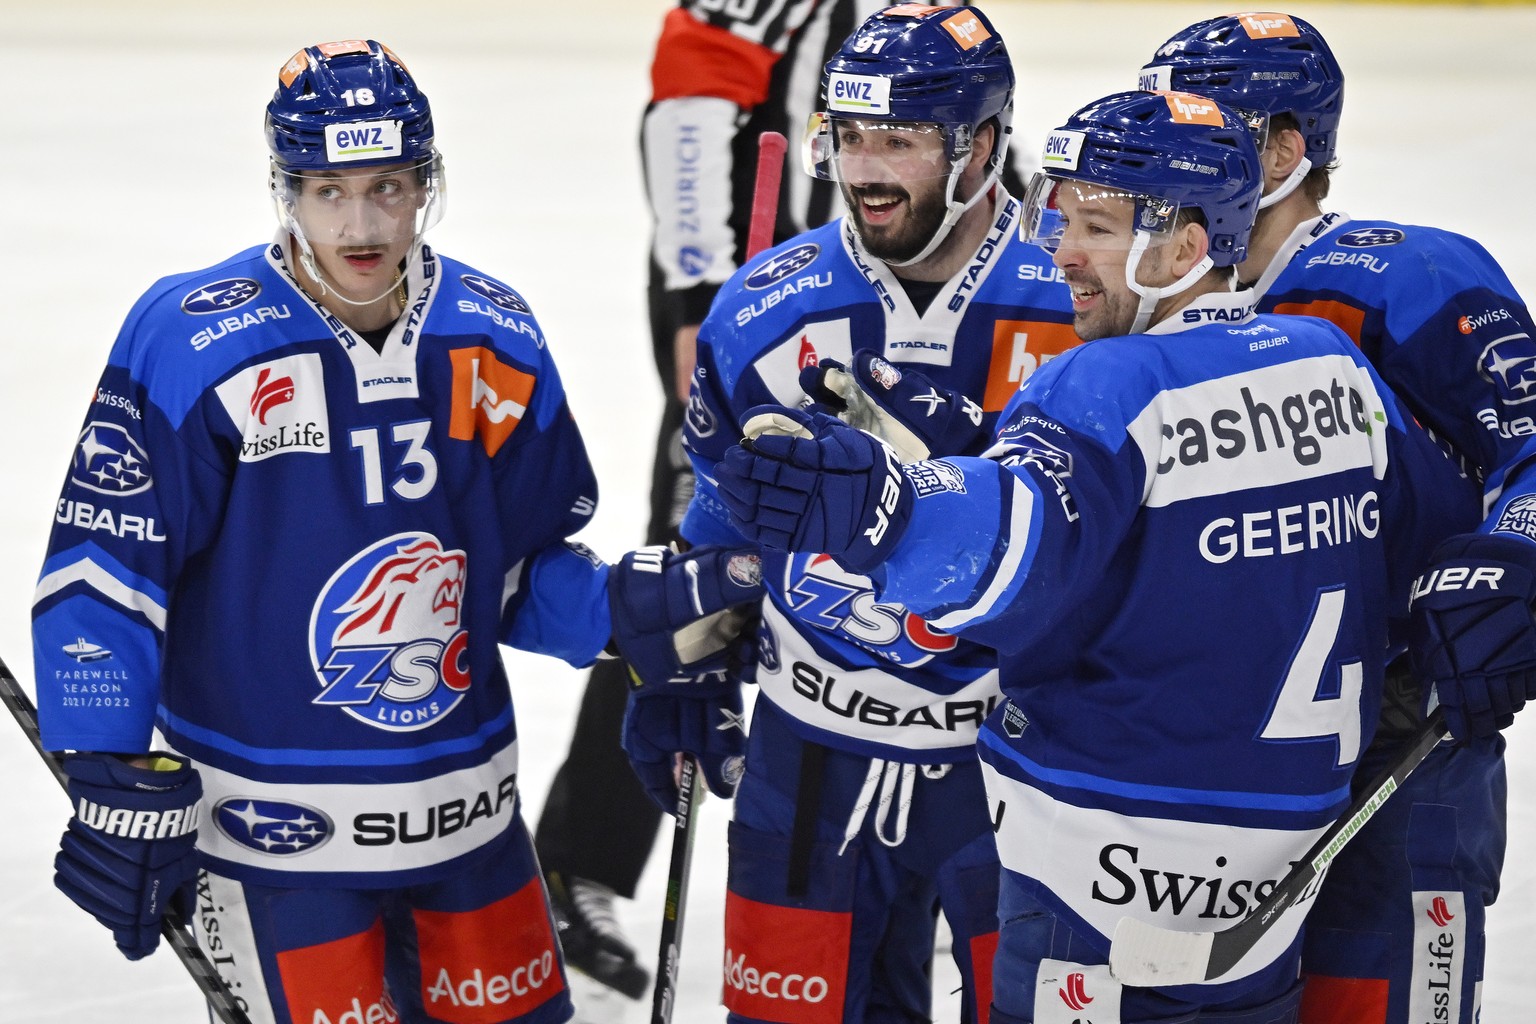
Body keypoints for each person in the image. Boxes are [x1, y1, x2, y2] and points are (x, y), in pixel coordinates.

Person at [29, 39, 759, 1024]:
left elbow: (513, 573)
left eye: (388, 186)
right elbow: (104, 570)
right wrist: (105, 758)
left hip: (468, 832)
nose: (362, 223)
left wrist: (640, 615)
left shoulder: (492, 335)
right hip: (272, 848)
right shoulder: (192, 341)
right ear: (286, 189)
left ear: (428, 186)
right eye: (330, 190)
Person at [713, 88, 1481, 1024]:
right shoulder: (1329, 362)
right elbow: (1427, 556)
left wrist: (887, 510)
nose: (1060, 251)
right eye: (1057, 216)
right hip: (1273, 886)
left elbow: (1014, 554)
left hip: (1097, 879)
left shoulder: (1103, 381)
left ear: (1189, 247)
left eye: (1098, 227)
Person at [533, 0, 1012, 997]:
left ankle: (921, 851)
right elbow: (691, 118)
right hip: (787, 331)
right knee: (698, 579)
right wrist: (698, 301)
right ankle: (582, 860)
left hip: (924, 299)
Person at [1138, 14, 1536, 1023]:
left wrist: (1509, 560)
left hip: (1397, 761)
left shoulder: (1410, 277)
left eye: (1201, 115)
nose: (1166, 137)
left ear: (1283, 149)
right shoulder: (1139, 292)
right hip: (1201, 772)